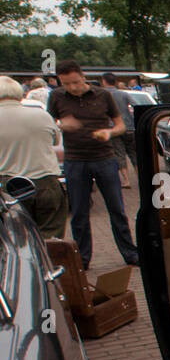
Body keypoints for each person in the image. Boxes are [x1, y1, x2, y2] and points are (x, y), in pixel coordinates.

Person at [46, 60, 138, 268]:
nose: (72, 88)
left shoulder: (103, 95)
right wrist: (61, 125)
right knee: (79, 212)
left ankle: (130, 253)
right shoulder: (56, 96)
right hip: (75, 160)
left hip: (104, 158)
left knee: (117, 208)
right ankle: (82, 259)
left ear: (83, 76)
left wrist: (109, 132)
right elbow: (49, 125)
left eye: (76, 82)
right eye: (66, 84)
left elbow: (120, 125)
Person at [0, 75, 68, 238]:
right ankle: (51, 261)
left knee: (15, 238)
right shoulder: (42, 115)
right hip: (46, 181)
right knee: (52, 235)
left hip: (8, 184)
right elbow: (55, 140)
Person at [100, 72, 137, 187]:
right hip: (129, 126)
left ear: (104, 81)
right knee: (133, 153)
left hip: (113, 128)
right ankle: (141, 177)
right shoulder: (123, 94)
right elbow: (135, 105)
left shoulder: (102, 95)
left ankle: (126, 180)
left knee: (119, 154)